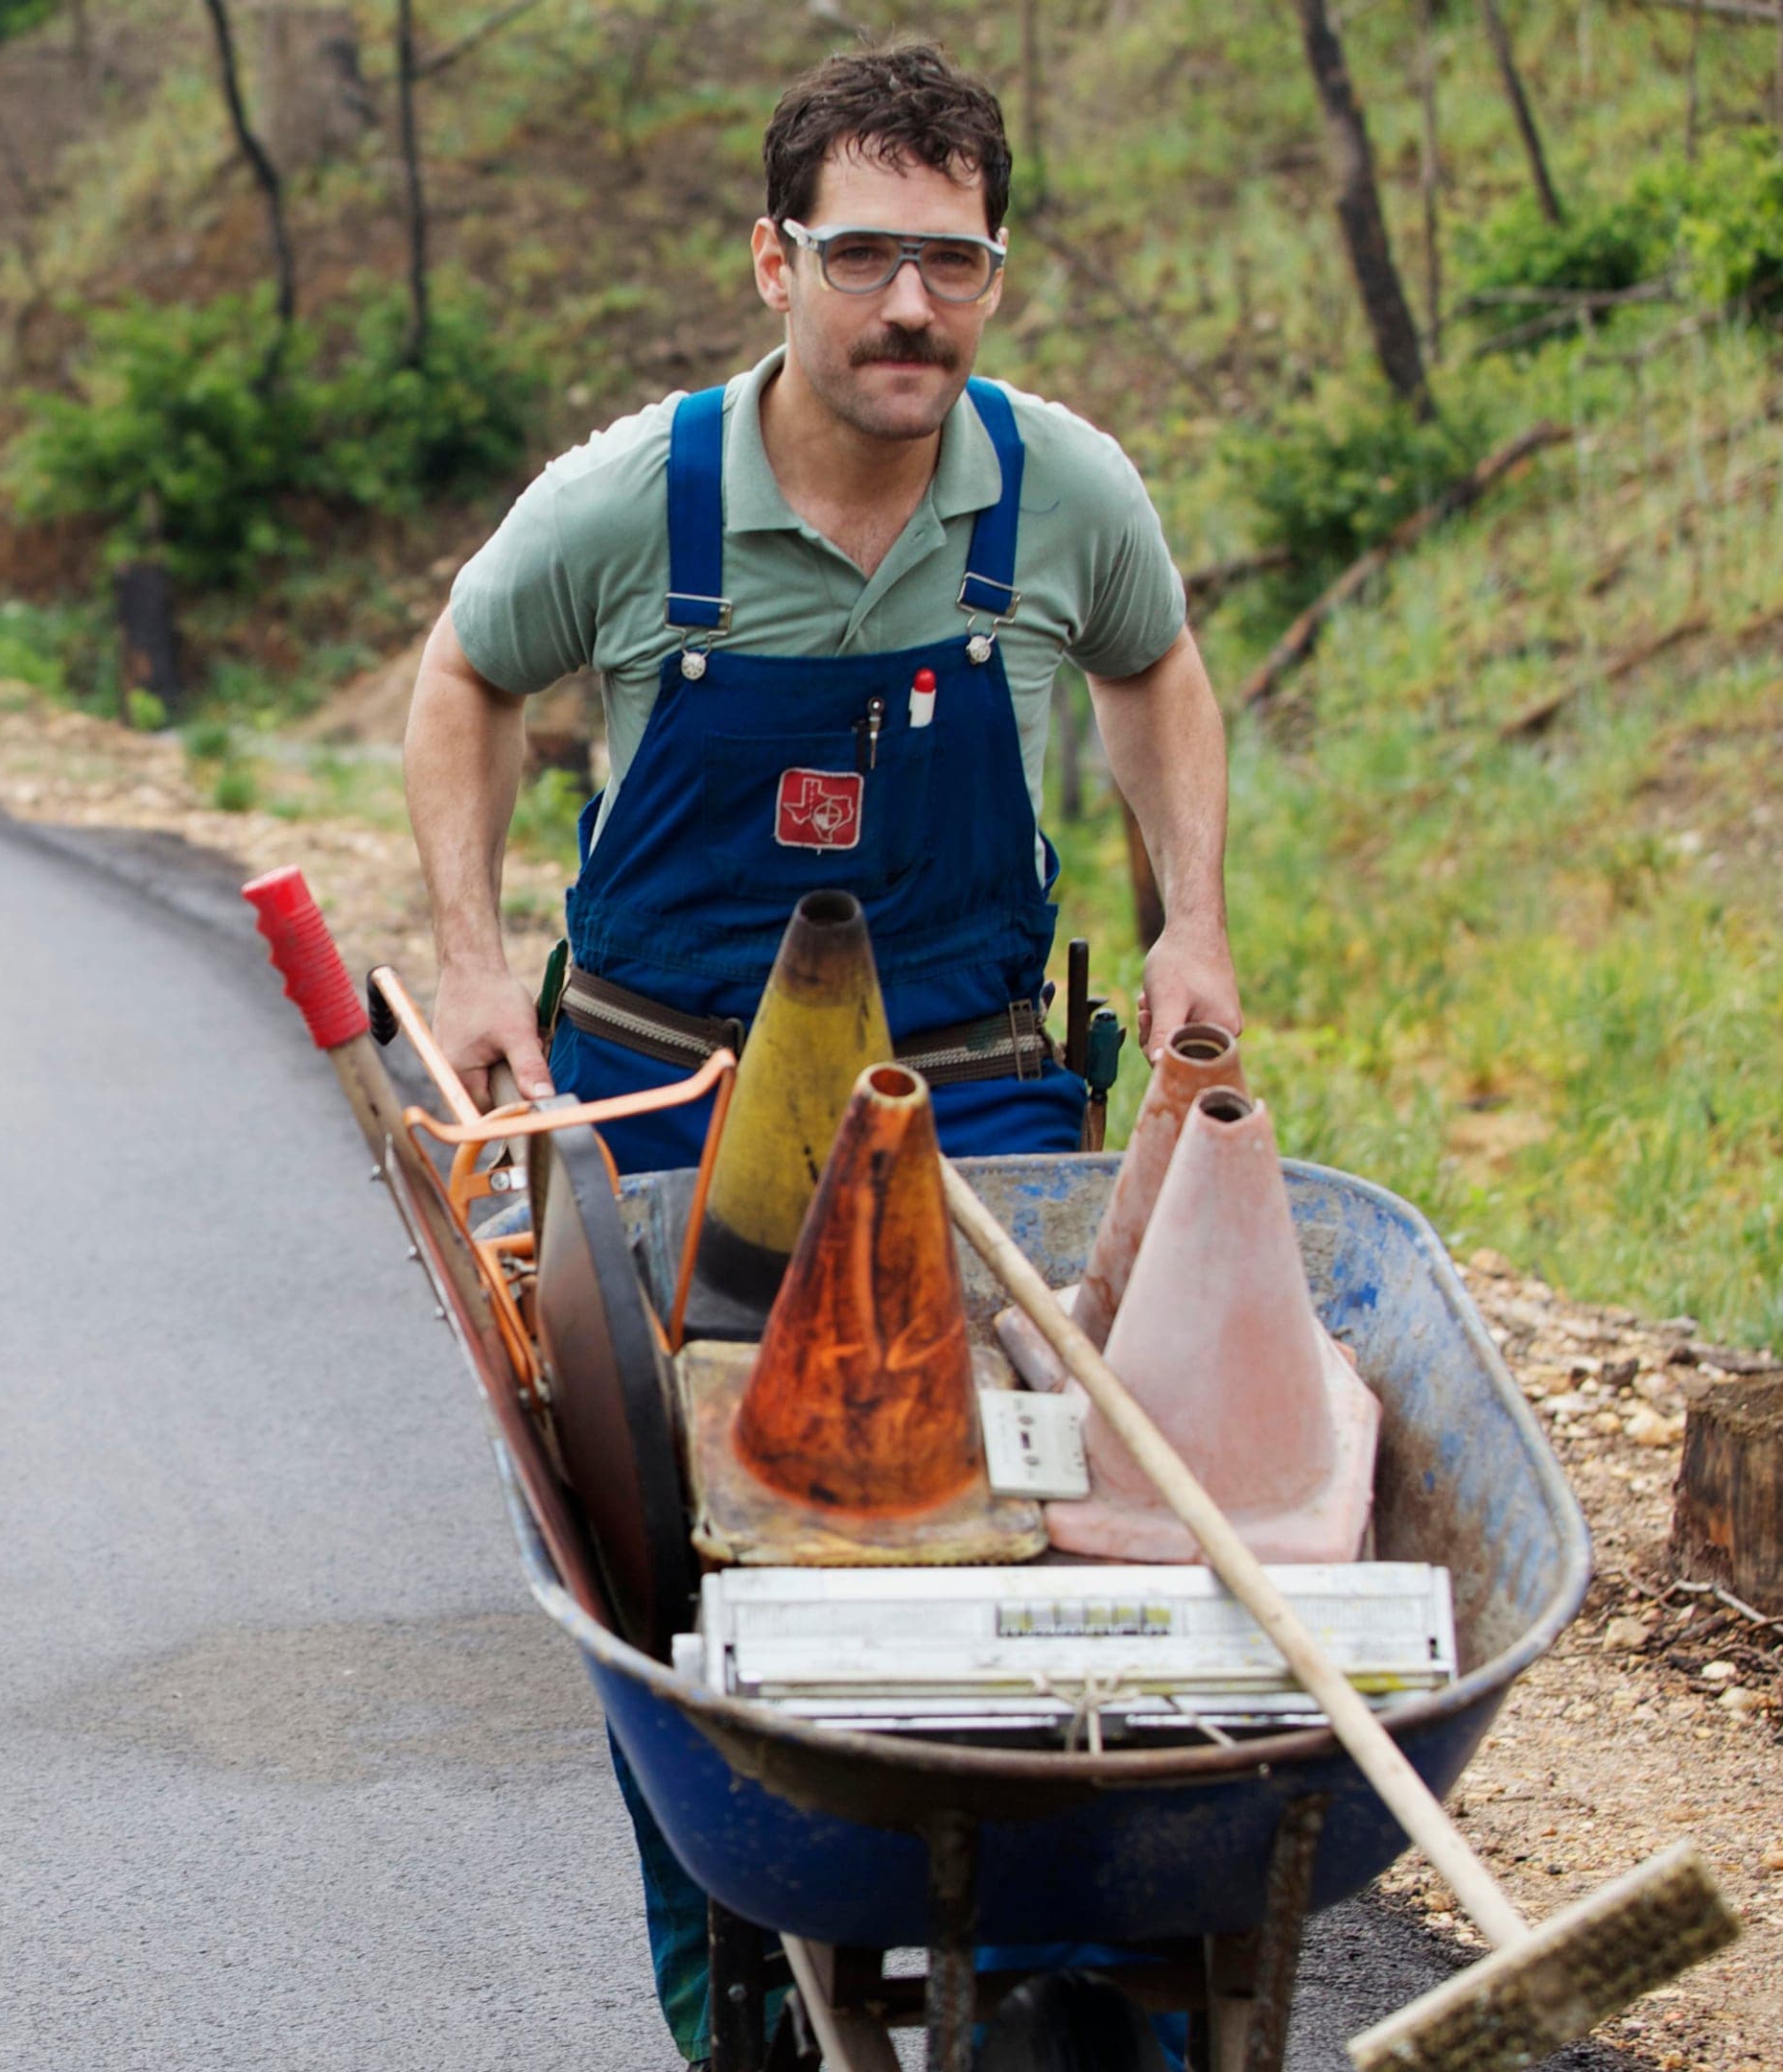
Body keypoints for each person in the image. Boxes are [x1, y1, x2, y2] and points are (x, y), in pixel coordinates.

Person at [401, 43, 1240, 2062]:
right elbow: (464, 681)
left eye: (949, 263)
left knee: (1042, 1522)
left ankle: (1073, 1956)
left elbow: (1155, 671)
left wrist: (1192, 913)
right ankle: (739, 1994)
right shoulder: (630, 502)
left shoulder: (1060, 492)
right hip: (668, 1110)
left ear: (994, 279)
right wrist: (479, 961)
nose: (906, 309)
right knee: (659, 1568)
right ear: (773, 263)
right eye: (862, 256)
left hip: (980, 1099)